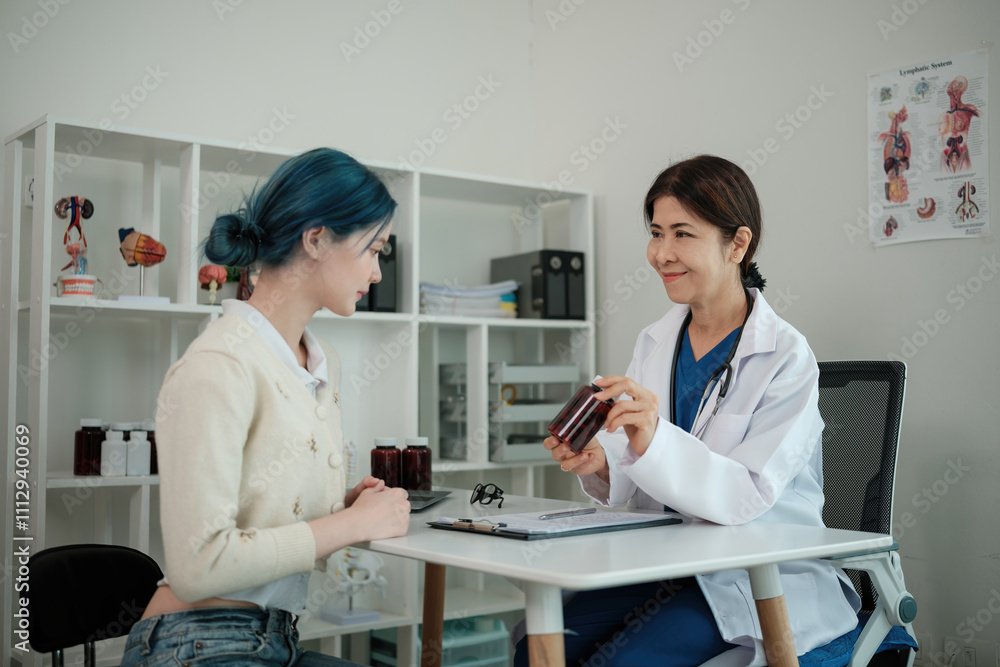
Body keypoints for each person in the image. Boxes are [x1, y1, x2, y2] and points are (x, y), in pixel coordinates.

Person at [513, 155, 860, 667]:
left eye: (682, 234)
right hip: (658, 564)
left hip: (747, 573)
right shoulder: (656, 341)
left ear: (737, 244)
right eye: (656, 233)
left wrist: (652, 438)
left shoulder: (785, 357)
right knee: (537, 647)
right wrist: (602, 462)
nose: (661, 253)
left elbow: (746, 493)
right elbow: (637, 468)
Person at [121, 148, 412, 667]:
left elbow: (264, 509)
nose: (378, 273)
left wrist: (346, 507)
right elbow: (198, 565)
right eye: (374, 250)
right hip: (195, 644)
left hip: (275, 638)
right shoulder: (218, 365)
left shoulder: (319, 363)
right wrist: (348, 527)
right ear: (317, 239)